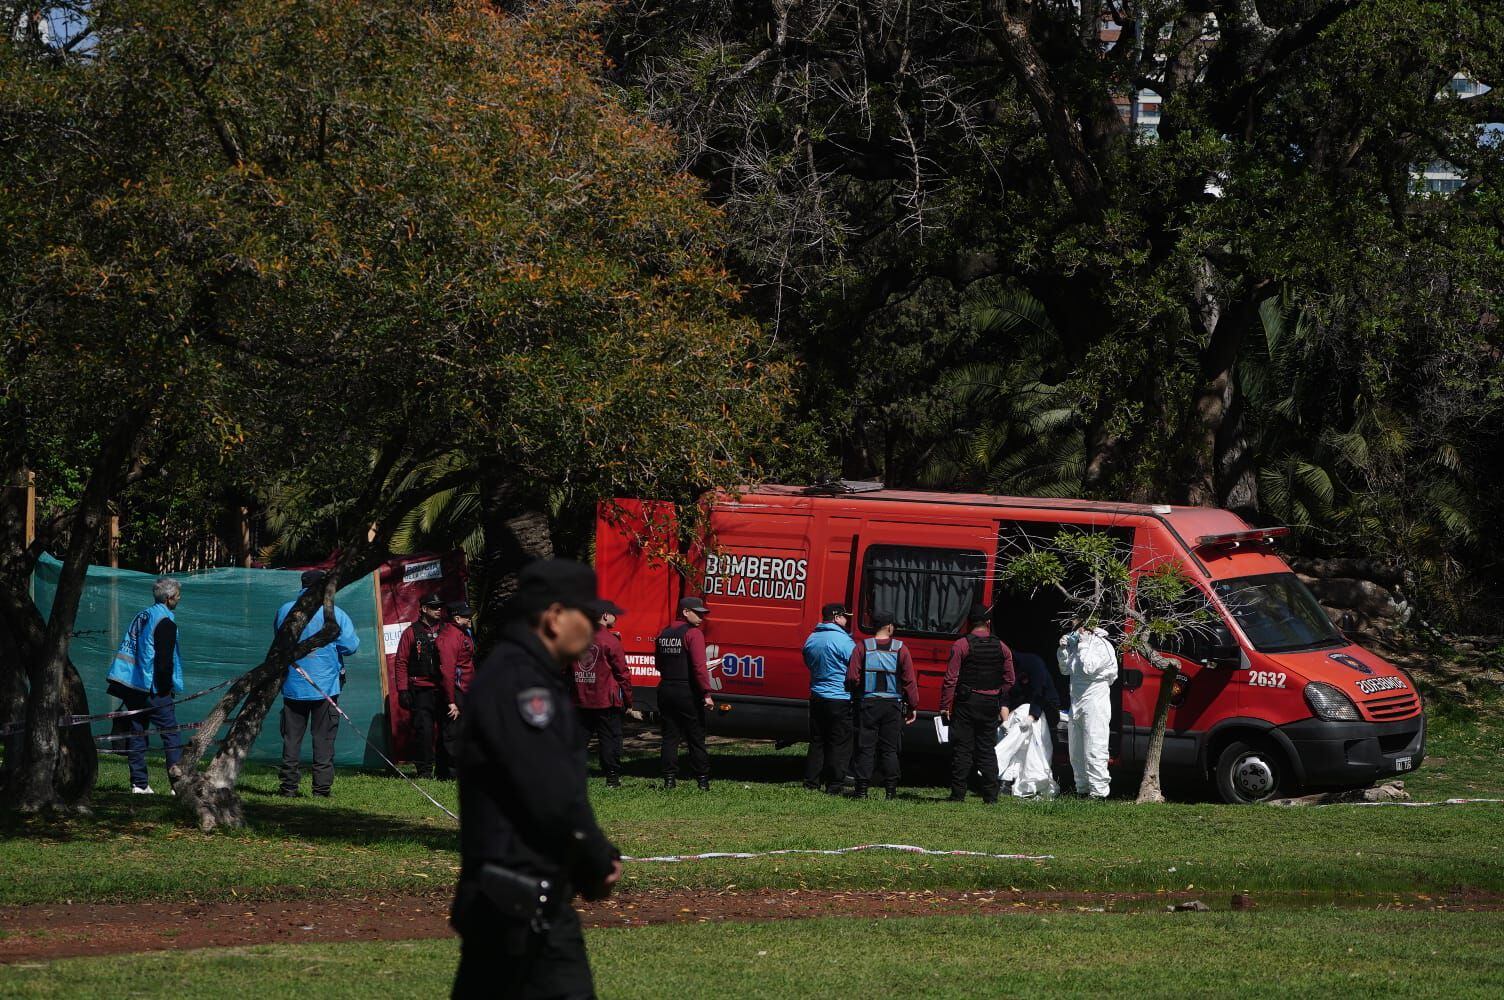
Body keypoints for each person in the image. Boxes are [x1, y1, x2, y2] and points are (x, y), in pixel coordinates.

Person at [450, 559, 622, 999]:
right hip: (523, 905)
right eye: (586, 615)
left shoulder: (514, 673)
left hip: (507, 901)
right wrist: (598, 861)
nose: (593, 627)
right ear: (554, 617)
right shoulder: (524, 686)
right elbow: (551, 795)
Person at [276, 569, 360, 798]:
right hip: (326, 687)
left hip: (293, 685)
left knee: (291, 739)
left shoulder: (285, 610)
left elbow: (279, 641)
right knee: (323, 739)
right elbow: (351, 646)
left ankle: (288, 787)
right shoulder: (335, 613)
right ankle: (321, 790)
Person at [105, 577, 185, 795]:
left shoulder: (143, 615)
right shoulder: (165, 622)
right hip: (153, 688)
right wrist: (165, 688)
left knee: (137, 733)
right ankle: (178, 785)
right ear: (169, 598)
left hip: (132, 685)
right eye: (177, 596)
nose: (178, 599)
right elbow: (163, 662)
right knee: (171, 734)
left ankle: (139, 784)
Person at [939, 603, 1015, 803]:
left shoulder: (961, 645)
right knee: (987, 749)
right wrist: (996, 694)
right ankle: (991, 796)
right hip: (990, 703)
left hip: (966, 702)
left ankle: (957, 795)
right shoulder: (1002, 647)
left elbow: (950, 679)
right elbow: (1010, 680)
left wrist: (945, 705)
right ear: (988, 623)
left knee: (962, 749)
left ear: (969, 623)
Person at [844, 611, 919, 799]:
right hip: (892, 704)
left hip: (868, 703)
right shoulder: (901, 649)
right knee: (889, 749)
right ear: (889, 626)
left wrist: (856, 691)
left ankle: (861, 791)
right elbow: (909, 680)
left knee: (865, 747)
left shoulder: (862, 647)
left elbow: (852, 677)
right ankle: (890, 791)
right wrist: (913, 705)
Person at [654, 596, 716, 790]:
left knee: (670, 736)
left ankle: (669, 779)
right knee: (695, 736)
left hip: (666, 688)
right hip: (687, 690)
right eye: (698, 613)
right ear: (685, 612)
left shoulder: (664, 633)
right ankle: (703, 780)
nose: (702, 617)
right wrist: (706, 692)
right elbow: (699, 667)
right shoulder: (693, 634)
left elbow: (658, 663)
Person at [567, 602, 632, 788]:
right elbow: (623, 673)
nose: (616, 618)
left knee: (579, 739)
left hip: (581, 699)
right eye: (614, 615)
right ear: (604, 615)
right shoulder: (611, 641)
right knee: (608, 739)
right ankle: (612, 778)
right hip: (605, 700)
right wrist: (628, 699)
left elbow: (564, 668)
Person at [1058, 620, 1118, 798]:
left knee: (1095, 747)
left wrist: (1083, 644)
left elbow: (1089, 667)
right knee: (1075, 751)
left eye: (1077, 627)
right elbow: (1064, 669)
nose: (1074, 631)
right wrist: (1063, 650)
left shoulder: (1102, 646)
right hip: (1076, 701)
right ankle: (1082, 789)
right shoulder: (1078, 646)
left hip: (1095, 702)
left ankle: (1099, 793)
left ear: (1088, 628)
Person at [801, 602, 856, 793]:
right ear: (836, 617)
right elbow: (855, 666)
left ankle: (811, 782)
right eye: (844, 616)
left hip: (817, 695)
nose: (846, 620)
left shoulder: (812, 638)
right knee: (839, 742)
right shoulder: (844, 641)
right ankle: (835, 784)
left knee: (817, 740)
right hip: (839, 697)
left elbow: (808, 662)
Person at [395, 593, 447, 779]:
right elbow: (401, 662)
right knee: (423, 731)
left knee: (446, 731)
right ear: (424, 609)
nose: (438, 609)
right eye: (434, 607)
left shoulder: (446, 630)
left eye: (440, 606)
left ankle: (445, 770)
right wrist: (402, 690)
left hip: (443, 689)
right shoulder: (411, 632)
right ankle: (424, 771)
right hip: (420, 689)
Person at [436, 601, 477, 779]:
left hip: (466, 690)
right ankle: (452, 773)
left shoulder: (463, 633)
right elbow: (447, 670)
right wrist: (451, 701)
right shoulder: (450, 637)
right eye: (466, 616)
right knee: (452, 733)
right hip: (456, 691)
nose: (470, 619)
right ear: (457, 618)